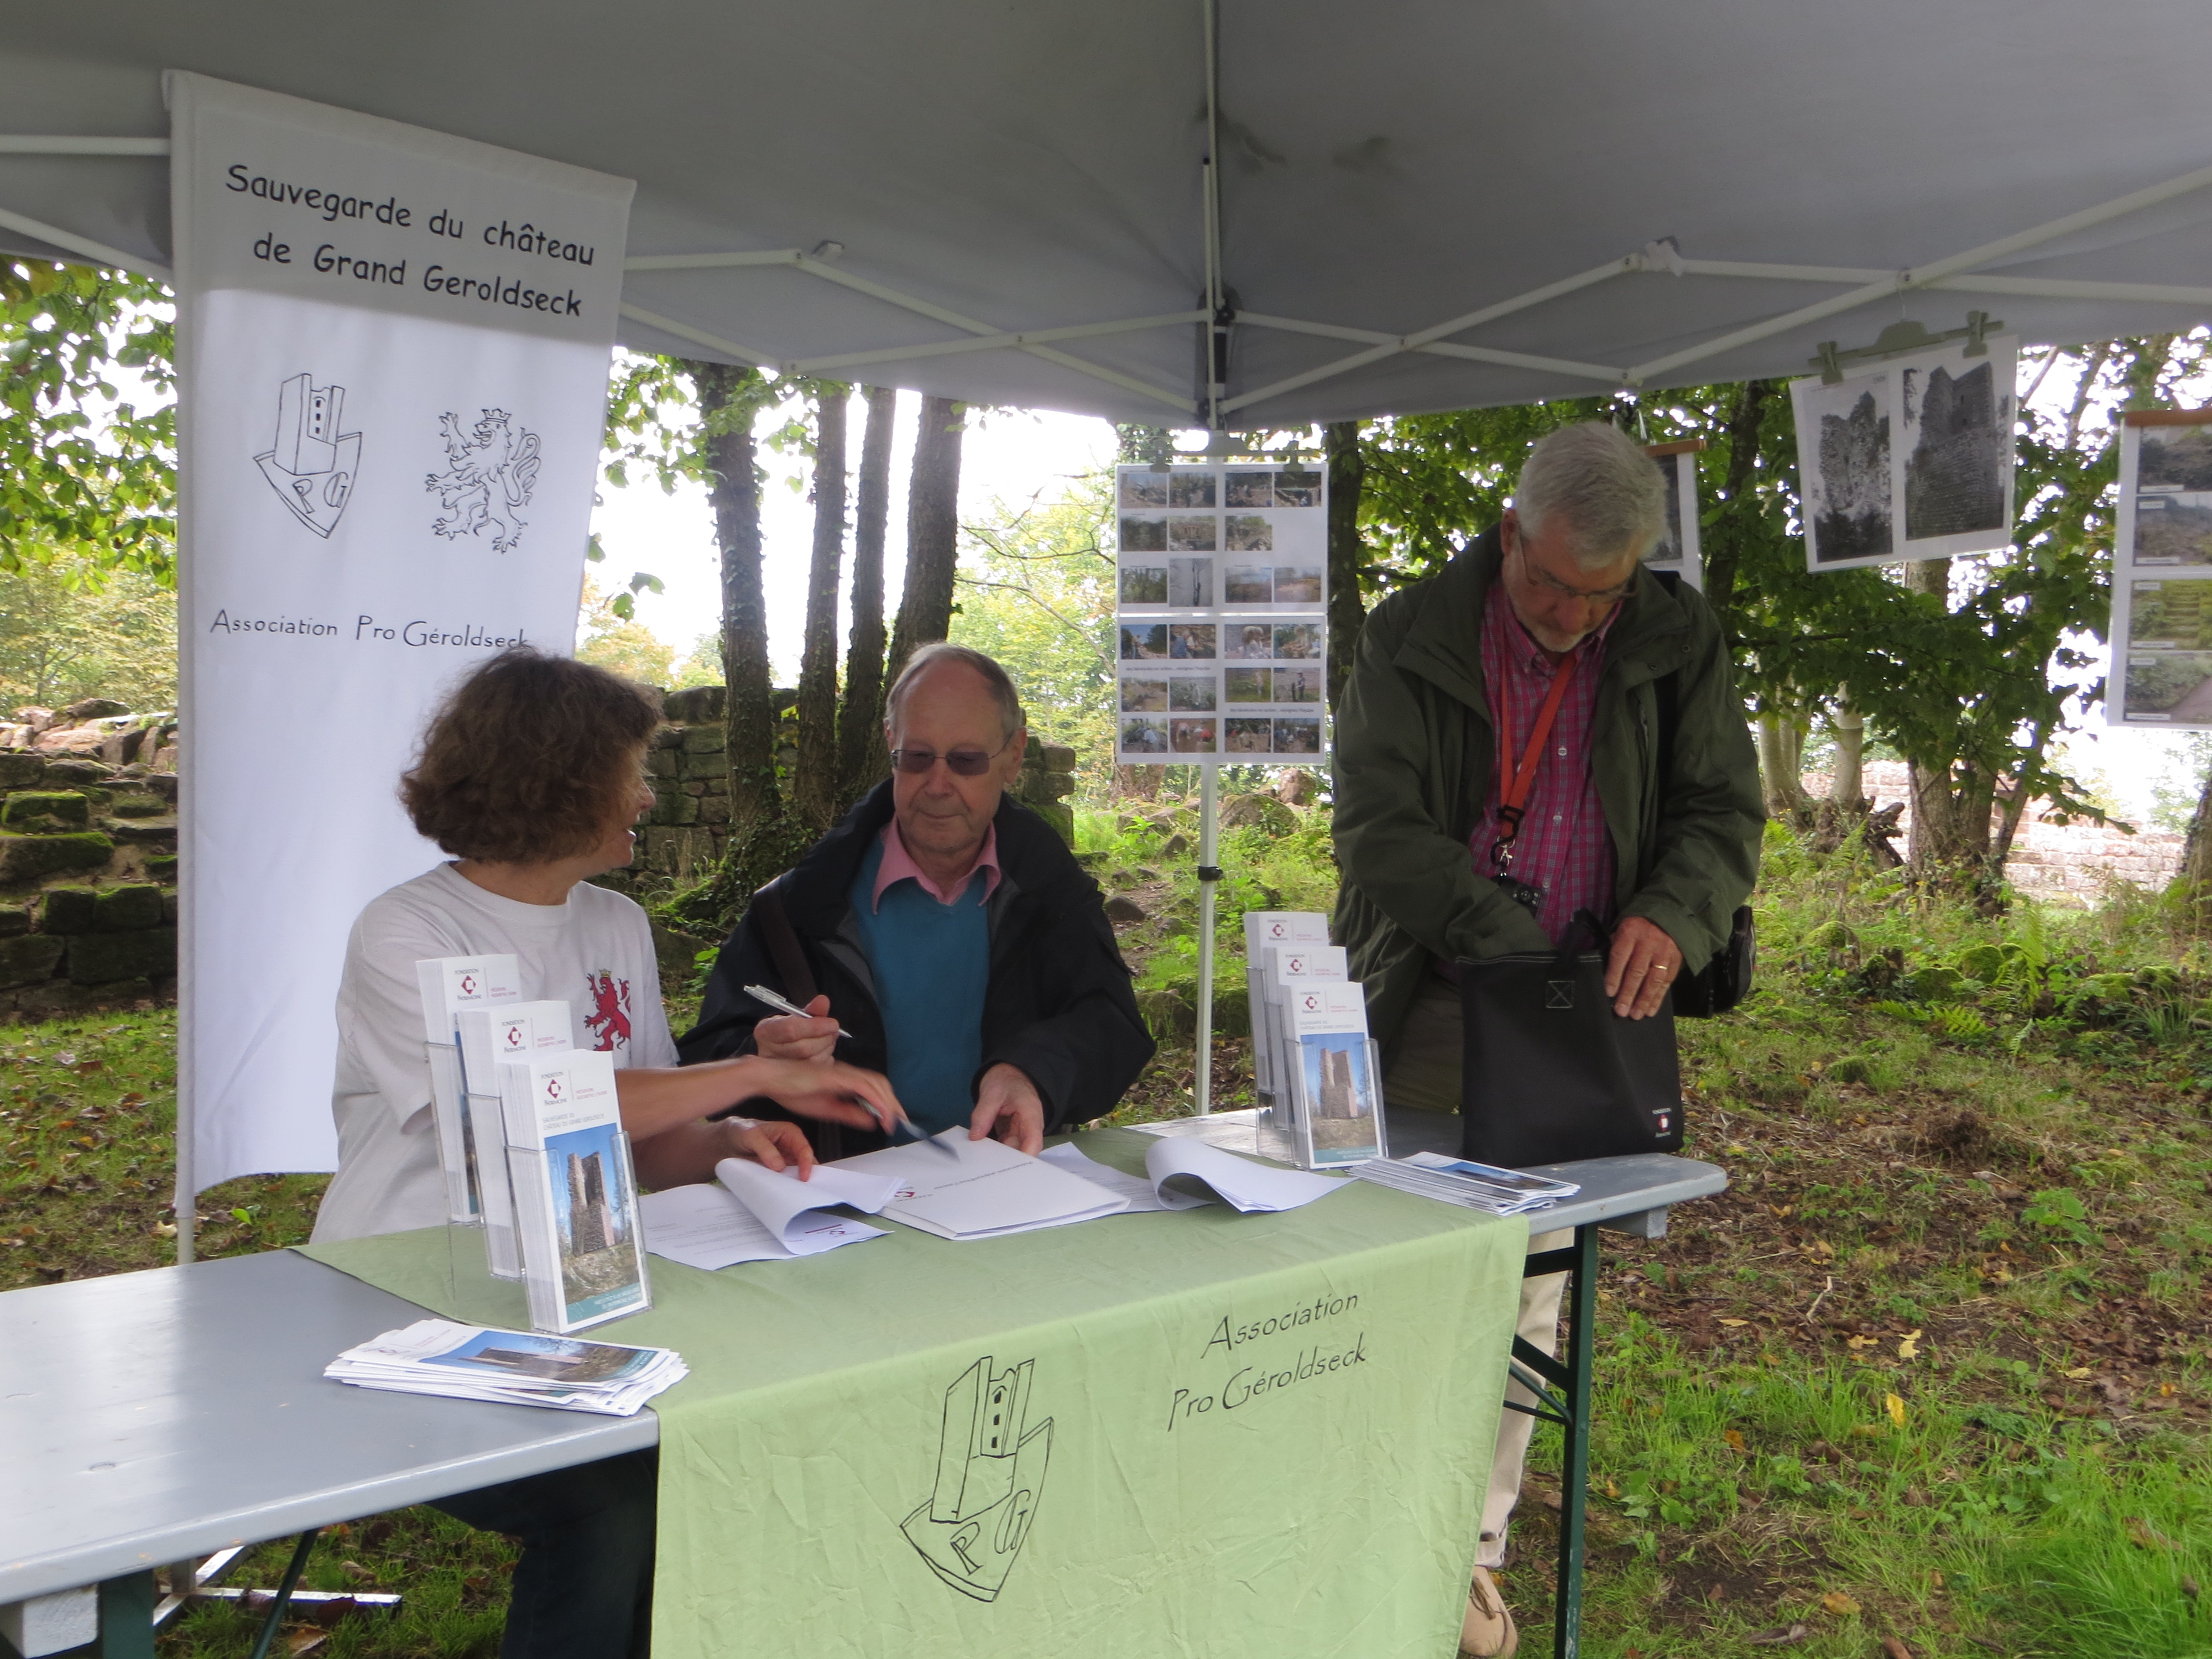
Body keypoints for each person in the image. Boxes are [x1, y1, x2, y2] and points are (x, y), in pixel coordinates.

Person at [314, 648, 910, 1659]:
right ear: (558, 781)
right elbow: (527, 1108)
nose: (646, 796)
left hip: (581, 1290)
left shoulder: (617, 923)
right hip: (414, 1301)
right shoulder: (409, 933)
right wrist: (750, 1077)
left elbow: (630, 1135)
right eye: (631, 773)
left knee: (737, 1439)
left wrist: (727, 1140)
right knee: (610, 1503)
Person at [1331, 422, 1762, 1657]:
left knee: (1527, 1282)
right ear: (1510, 532)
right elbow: (1377, 827)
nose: (1571, 618)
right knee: (1397, 1259)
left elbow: (1722, 810)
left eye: (1599, 597)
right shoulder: (1411, 633)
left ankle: (1467, 1551)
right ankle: (1365, 1519)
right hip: (1433, 992)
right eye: (1552, 586)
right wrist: (1504, 942)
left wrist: (1672, 913)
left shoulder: (1676, 638)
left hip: (1590, 1011)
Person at [682, 643, 1154, 1154]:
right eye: (917, 758)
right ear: (891, 742)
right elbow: (708, 1062)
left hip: (1011, 1175)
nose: (937, 785)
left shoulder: (1049, 890)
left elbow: (1111, 1025)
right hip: (846, 1190)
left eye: (966, 761)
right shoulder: (796, 908)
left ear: (1013, 756)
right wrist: (760, 1060)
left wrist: (1032, 1073)